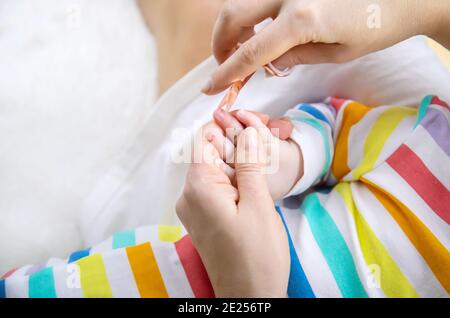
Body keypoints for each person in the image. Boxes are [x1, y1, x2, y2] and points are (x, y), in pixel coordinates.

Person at [1, 0, 449, 298]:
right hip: (131, 259)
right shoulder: (437, 135)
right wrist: (285, 158)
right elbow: (339, 133)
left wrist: (250, 293)